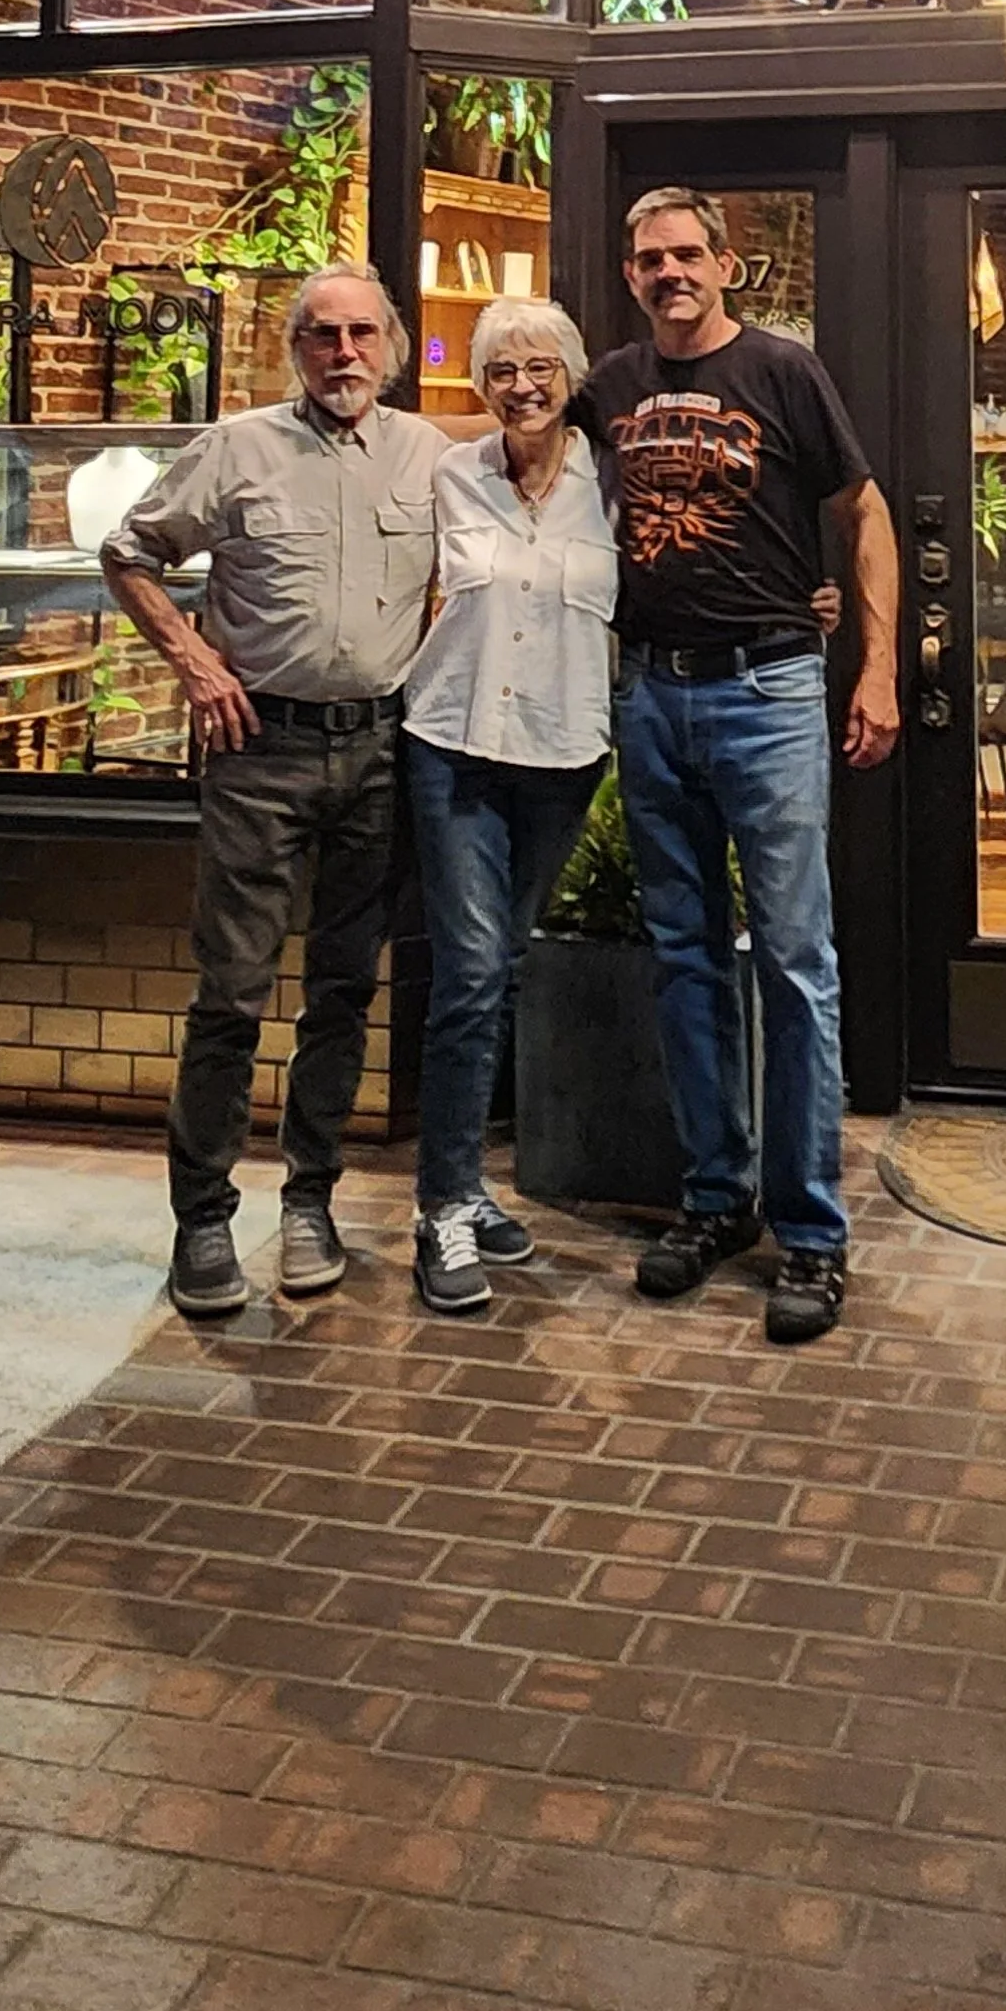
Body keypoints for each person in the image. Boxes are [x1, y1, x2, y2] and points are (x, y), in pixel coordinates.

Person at [102, 267, 445, 1322]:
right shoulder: (237, 447)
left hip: (383, 753)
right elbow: (128, 551)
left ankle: (309, 1203)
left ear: (391, 346)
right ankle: (203, 1218)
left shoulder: (430, 455)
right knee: (232, 994)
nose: (344, 353)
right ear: (294, 349)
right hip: (262, 751)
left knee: (343, 991)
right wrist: (196, 664)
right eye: (322, 335)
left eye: (361, 334)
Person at [592, 186, 899, 1350]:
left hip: (767, 689)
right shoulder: (611, 386)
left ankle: (810, 1232)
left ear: (726, 264)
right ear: (630, 274)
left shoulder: (781, 370)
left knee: (794, 961)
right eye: (649, 258)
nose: (669, 272)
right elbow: (526, 455)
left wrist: (874, 666)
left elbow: (861, 511)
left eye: (687, 254)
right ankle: (714, 1200)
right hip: (650, 692)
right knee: (684, 957)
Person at [401, 294, 617, 1319]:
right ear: (479, 382)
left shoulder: (613, 483)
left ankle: (470, 1184)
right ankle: (442, 1205)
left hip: (563, 751)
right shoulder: (451, 474)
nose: (521, 386)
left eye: (539, 367)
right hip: (453, 744)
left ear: (571, 376)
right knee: (472, 970)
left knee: (507, 965)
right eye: (500, 369)